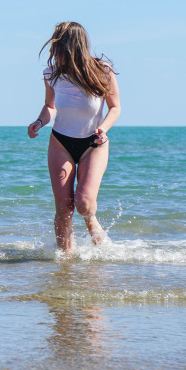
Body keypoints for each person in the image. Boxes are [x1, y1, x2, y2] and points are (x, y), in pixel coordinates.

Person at [27, 22, 121, 254]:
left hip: (93, 144)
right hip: (61, 142)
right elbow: (50, 106)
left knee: (83, 204)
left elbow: (115, 107)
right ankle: (64, 262)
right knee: (64, 207)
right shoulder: (52, 74)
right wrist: (39, 122)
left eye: (58, 45)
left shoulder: (102, 71)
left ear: (73, 46)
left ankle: (93, 226)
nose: (54, 51)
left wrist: (104, 129)